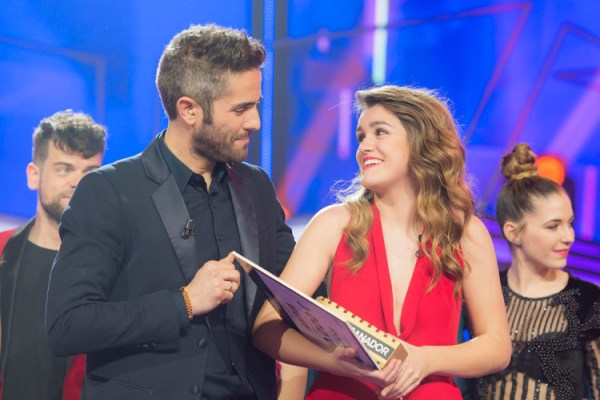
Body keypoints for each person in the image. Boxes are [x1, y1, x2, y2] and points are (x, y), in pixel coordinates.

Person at [45, 24, 296, 400]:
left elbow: (297, 290)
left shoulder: (256, 185)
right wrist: (185, 302)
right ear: (189, 109)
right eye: (241, 109)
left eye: (256, 105)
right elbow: (68, 325)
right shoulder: (108, 190)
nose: (255, 122)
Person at [252, 85, 512, 399]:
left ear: (420, 142)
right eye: (361, 136)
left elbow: (497, 346)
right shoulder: (333, 224)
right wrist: (331, 361)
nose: (365, 147)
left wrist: (426, 360)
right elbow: (266, 327)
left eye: (380, 132)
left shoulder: (465, 233)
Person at [478, 143, 600, 399]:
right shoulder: (485, 295)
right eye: (553, 226)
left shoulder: (589, 301)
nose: (568, 237)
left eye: (570, 224)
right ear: (513, 232)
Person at [0, 110, 106, 400]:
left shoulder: (112, 265)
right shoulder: (3, 251)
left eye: (90, 172)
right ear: (34, 175)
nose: (78, 181)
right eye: (64, 169)